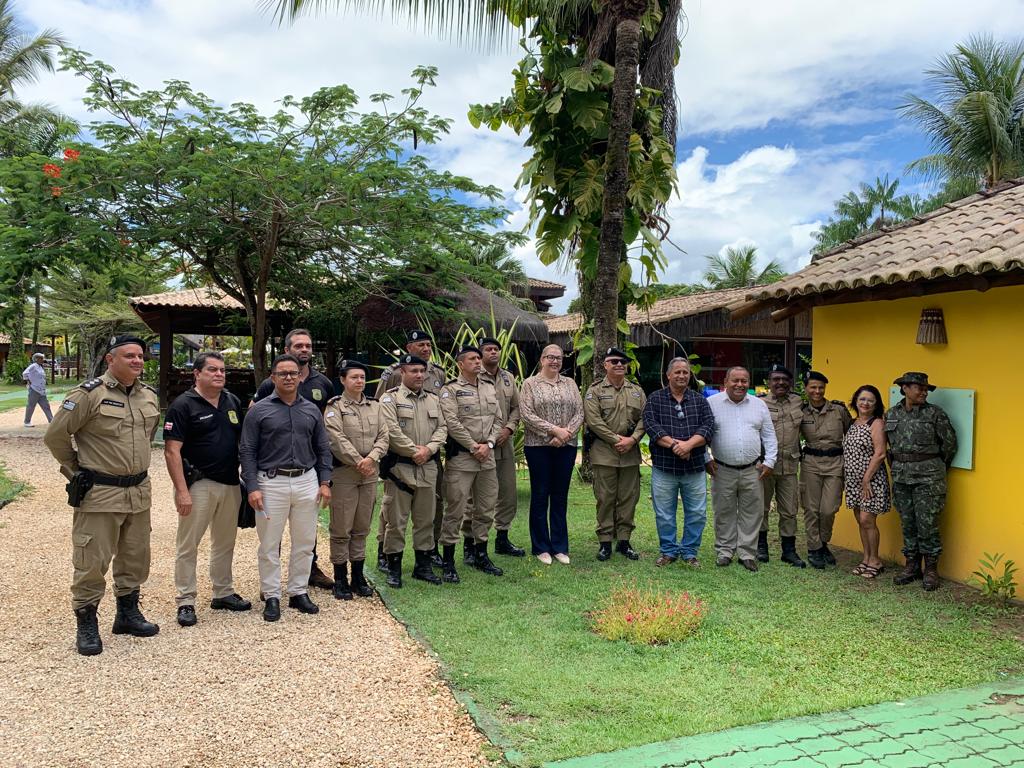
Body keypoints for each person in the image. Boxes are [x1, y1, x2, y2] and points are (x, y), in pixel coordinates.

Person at [44, 335, 161, 656]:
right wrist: (75, 471)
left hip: (138, 491)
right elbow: (55, 436)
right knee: (92, 560)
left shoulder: (148, 396)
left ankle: (127, 614)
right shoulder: (88, 395)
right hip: (100, 493)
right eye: (129, 356)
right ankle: (86, 622)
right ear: (110, 360)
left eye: (140, 355)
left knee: (135, 556)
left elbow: (147, 436)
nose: (138, 360)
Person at [240, 354, 333, 622]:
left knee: (305, 542)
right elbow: (247, 450)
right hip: (271, 482)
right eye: (283, 374)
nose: (289, 377)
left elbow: (323, 448)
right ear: (273, 378)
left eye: (293, 373)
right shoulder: (259, 410)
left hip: (307, 481)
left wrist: (325, 481)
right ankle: (271, 595)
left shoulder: (311, 410)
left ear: (300, 377)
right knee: (269, 544)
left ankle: (298, 592)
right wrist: (252, 487)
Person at [164, 351, 251, 627]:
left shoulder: (231, 401)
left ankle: (223, 592)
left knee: (225, 542)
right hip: (198, 484)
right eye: (212, 370)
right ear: (197, 374)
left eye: (222, 370)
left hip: (230, 483)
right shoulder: (183, 405)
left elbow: (243, 443)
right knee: (188, 545)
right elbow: (171, 452)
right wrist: (182, 491)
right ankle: (186, 600)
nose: (219, 374)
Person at [252, 328, 336, 591]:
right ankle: (272, 587)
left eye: (308, 346)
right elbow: (254, 421)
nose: (304, 350)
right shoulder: (271, 385)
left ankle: (308, 575)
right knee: (271, 536)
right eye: (298, 346)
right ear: (287, 350)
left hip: (306, 468)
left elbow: (327, 427)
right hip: (274, 470)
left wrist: (324, 477)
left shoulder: (323, 383)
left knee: (305, 534)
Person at [375, 329, 449, 571]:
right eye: (421, 345)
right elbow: (383, 417)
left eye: (429, 344)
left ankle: (428, 555)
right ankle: (385, 553)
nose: (426, 349)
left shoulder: (438, 373)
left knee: (430, 508)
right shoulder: (392, 377)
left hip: (429, 458)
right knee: (393, 512)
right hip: (400, 460)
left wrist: (428, 450)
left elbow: (442, 421)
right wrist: (412, 450)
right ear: (409, 349)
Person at [323, 360, 389, 600]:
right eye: (354, 377)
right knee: (341, 528)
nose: (359, 381)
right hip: (345, 474)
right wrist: (358, 461)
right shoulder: (334, 407)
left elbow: (384, 435)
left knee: (362, 527)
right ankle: (340, 578)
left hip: (369, 473)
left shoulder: (376, 406)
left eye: (362, 377)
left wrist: (371, 459)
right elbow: (335, 438)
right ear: (342, 380)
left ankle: (358, 577)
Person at [886, 372, 958, 591]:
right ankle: (912, 566)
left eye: (926, 389)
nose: (924, 392)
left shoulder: (935, 414)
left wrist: (934, 467)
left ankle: (931, 569)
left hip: (929, 478)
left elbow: (949, 445)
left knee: (927, 524)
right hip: (901, 477)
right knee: (908, 523)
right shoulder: (891, 414)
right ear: (905, 388)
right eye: (920, 388)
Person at [642, 356, 715, 567]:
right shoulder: (655, 399)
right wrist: (676, 446)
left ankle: (690, 551)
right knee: (664, 512)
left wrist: (689, 445)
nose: (682, 376)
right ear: (668, 375)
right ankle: (669, 551)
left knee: (698, 513)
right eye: (678, 372)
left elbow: (708, 426)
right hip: (664, 467)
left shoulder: (699, 400)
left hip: (694, 468)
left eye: (685, 372)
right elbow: (651, 425)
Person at [440, 346, 505, 577]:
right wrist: (472, 445)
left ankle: (480, 555)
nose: (478, 362)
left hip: (486, 457)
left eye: (479, 358)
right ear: (460, 363)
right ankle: (448, 561)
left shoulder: (488, 387)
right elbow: (452, 422)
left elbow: (498, 419)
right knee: (455, 510)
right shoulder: (451, 390)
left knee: (486, 508)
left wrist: (487, 444)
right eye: (472, 359)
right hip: (462, 459)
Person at [706, 366, 777, 572]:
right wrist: (705, 458)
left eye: (744, 381)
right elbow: (702, 433)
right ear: (725, 382)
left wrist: (770, 461)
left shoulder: (759, 405)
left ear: (749, 383)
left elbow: (769, 436)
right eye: (735, 380)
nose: (740, 385)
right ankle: (725, 551)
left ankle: (747, 553)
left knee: (752, 512)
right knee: (723, 510)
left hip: (752, 469)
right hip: (721, 469)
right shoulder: (711, 404)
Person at [519, 344, 584, 565]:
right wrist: (553, 431)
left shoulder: (570, 383)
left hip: (566, 447)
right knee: (540, 495)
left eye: (558, 357)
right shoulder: (530, 384)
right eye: (550, 357)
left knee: (559, 496)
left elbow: (579, 411)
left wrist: (564, 435)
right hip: (538, 447)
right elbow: (526, 414)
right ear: (541, 359)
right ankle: (540, 547)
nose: (554, 361)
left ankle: (559, 546)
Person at [583, 347, 647, 561]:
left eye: (623, 361)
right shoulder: (595, 391)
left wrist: (633, 439)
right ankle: (604, 542)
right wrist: (616, 439)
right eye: (614, 361)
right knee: (605, 497)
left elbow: (645, 419)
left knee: (629, 498)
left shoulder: (637, 391)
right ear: (605, 365)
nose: (619, 365)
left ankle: (624, 541)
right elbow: (593, 420)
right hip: (604, 452)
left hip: (630, 453)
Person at [474, 336, 524, 558]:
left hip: (505, 443)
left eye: (496, 349)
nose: (493, 352)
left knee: (507, 493)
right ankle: (474, 544)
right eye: (488, 349)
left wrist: (510, 429)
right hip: (481, 447)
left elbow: (516, 407)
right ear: (480, 354)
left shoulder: (507, 377)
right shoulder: (473, 377)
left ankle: (502, 538)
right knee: (478, 496)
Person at [800, 371, 852, 570]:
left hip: (835, 462)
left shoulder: (838, 410)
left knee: (829, 508)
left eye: (821, 387)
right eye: (813, 387)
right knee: (811, 509)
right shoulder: (801, 412)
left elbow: (852, 431)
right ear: (806, 388)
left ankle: (823, 542)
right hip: (811, 462)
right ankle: (815, 548)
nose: (817, 391)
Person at [758, 363, 805, 567]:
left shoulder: (798, 402)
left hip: (790, 465)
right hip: (765, 466)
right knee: (761, 508)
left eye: (785, 379)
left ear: (790, 383)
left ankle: (789, 550)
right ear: (769, 382)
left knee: (789, 510)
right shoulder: (758, 403)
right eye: (776, 379)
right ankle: (760, 547)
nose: (780, 383)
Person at [843, 384, 891, 579]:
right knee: (860, 521)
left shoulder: (877, 423)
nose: (865, 403)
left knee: (867, 520)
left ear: (876, 404)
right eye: (862, 399)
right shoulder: (852, 423)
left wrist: (866, 479)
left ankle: (876, 561)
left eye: (870, 400)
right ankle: (866, 558)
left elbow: (880, 454)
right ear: (855, 400)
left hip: (870, 481)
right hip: (854, 481)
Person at [22, 352, 54, 427]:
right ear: (36, 359)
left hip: (41, 390)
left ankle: (51, 420)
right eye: (41, 358)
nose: (43, 359)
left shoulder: (40, 367)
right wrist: (29, 382)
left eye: (42, 358)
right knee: (31, 406)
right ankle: (27, 422)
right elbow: (25, 373)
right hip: (34, 389)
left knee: (46, 406)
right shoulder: (33, 366)